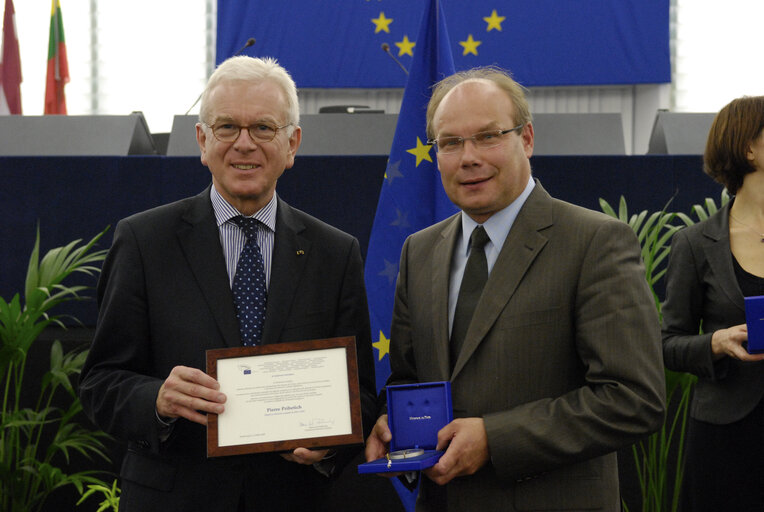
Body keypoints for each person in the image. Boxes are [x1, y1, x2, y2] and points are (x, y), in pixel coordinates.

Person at [79, 56, 377, 512]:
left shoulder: (335, 253)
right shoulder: (143, 240)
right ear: (202, 140)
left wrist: (331, 447)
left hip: (292, 498)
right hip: (174, 498)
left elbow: (361, 395)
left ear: (292, 143)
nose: (244, 145)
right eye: (226, 128)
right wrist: (155, 399)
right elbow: (100, 382)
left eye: (263, 128)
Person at [364, 67, 666, 511]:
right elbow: (411, 379)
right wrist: (392, 425)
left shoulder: (595, 242)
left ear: (526, 139)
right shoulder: (420, 251)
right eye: (450, 142)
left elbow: (634, 399)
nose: (468, 157)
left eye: (488, 136)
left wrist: (495, 438)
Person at [661, 96, 764, 511]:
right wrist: (715, 343)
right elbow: (667, 342)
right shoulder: (695, 243)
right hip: (727, 435)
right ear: (748, 148)